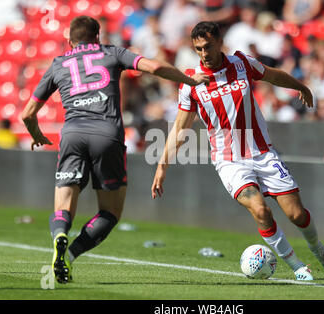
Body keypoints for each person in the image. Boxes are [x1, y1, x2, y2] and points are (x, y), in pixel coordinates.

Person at [21, 15, 208, 284]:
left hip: (72, 134)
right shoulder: (112, 52)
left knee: (63, 204)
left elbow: (28, 114)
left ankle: (59, 236)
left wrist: (37, 135)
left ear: (68, 40)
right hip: (107, 134)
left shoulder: (59, 63)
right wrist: (189, 81)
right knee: (110, 212)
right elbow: (154, 66)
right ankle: (70, 256)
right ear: (98, 36)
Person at [151, 21, 324, 281]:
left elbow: (274, 75)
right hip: (230, 161)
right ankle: (297, 266)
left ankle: (317, 247)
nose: (204, 53)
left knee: (296, 214)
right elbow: (180, 129)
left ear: (219, 42)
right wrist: (162, 166)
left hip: (263, 153)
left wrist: (301, 86)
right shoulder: (190, 82)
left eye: (207, 46)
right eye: (198, 49)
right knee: (260, 210)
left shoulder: (241, 63)